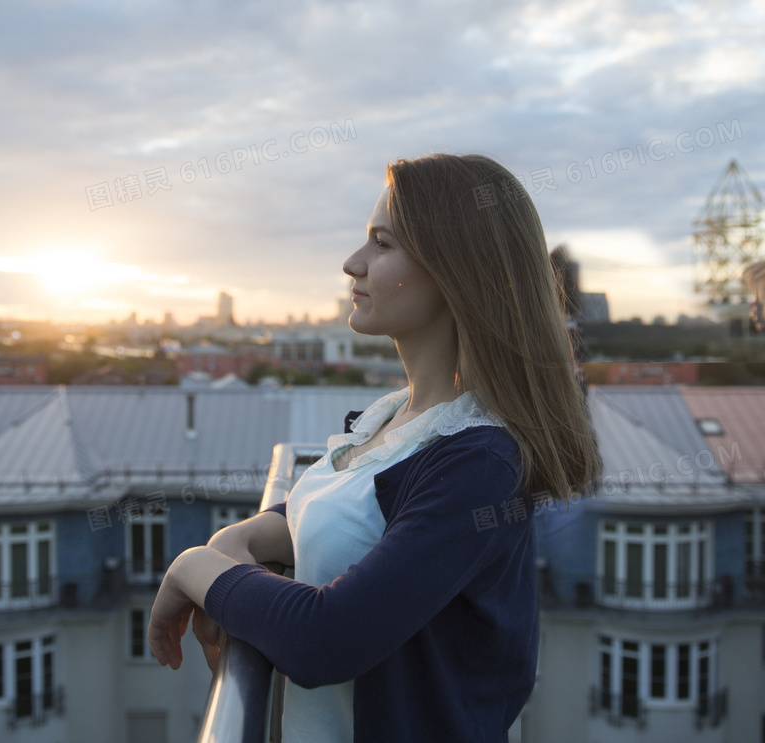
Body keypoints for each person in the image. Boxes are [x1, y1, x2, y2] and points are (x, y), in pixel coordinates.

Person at [147, 153, 601, 742]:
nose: (351, 263)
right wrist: (249, 534)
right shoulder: (396, 417)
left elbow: (326, 640)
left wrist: (193, 566)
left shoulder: (477, 460)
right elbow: (362, 522)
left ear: (455, 272)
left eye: (382, 244)